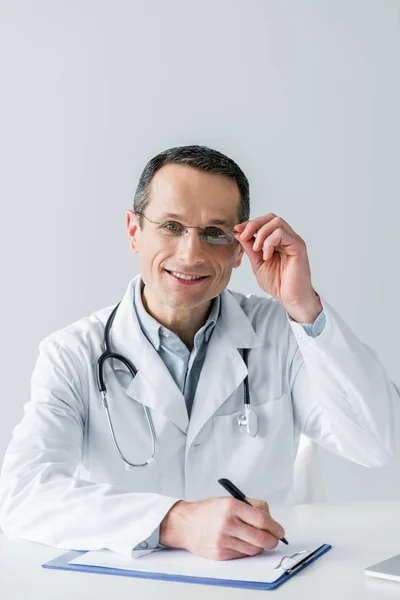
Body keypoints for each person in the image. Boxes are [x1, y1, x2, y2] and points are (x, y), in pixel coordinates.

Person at [0, 145, 399, 561]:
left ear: (239, 249)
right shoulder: (72, 354)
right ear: (134, 230)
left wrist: (304, 307)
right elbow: (23, 493)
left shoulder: (283, 333)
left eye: (214, 233)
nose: (191, 254)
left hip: (257, 582)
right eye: (172, 226)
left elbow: (376, 444)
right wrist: (176, 521)